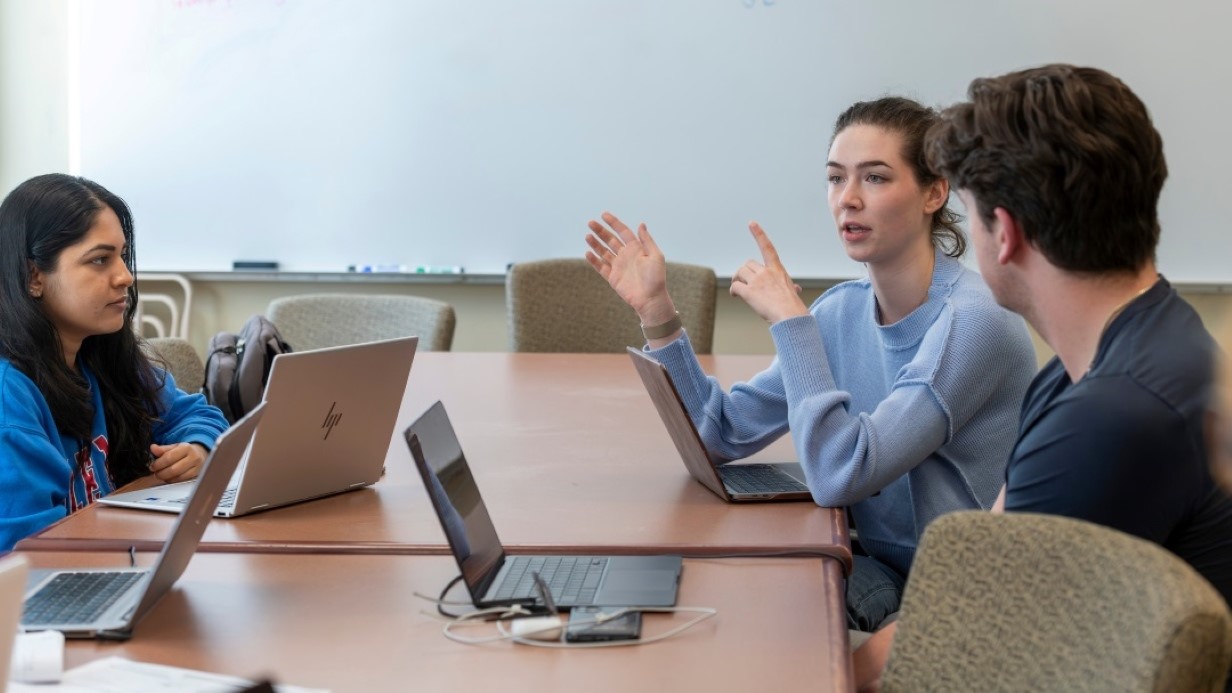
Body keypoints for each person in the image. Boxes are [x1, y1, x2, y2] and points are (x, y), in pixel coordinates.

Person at [584, 97, 1037, 632]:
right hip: (878, 568)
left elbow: (842, 475)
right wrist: (658, 313)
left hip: (960, 602)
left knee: (770, 623)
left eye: (875, 178)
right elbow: (716, 434)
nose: (847, 200)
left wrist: (792, 326)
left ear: (934, 192)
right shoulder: (843, 311)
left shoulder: (974, 322)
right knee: (736, 598)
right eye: (834, 178)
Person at [853, 64, 1232, 689]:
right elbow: (972, 583)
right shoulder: (1110, 356)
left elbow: (967, 648)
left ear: (1006, 234)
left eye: (971, 216)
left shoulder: (1113, 415)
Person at [0, 173, 229, 551]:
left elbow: (198, 416)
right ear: (33, 276)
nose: (124, 277)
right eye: (100, 260)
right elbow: (26, 557)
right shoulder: (10, 395)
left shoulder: (101, 355)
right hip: (52, 594)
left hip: (109, 564)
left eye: (122, 256)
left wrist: (197, 447)